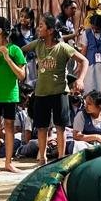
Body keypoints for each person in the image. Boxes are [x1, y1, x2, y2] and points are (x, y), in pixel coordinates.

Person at [28, 12, 86, 165]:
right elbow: (20, 50)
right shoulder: (37, 44)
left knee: (60, 127)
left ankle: (61, 158)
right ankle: (42, 158)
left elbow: (84, 61)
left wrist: (80, 79)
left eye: (41, 26)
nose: (38, 28)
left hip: (60, 92)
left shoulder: (63, 47)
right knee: (42, 127)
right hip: (41, 93)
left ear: (50, 30)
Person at [0, 15, 27, 173]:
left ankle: (8, 162)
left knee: (9, 126)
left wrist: (8, 58)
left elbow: (21, 76)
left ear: (0, 31)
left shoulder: (15, 49)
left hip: (10, 94)